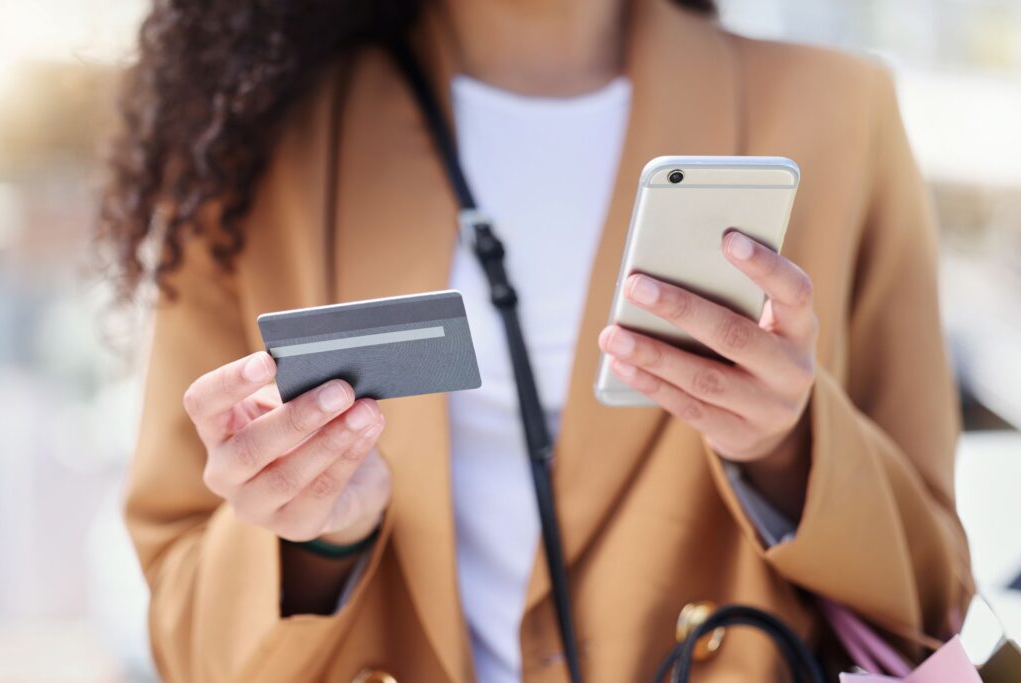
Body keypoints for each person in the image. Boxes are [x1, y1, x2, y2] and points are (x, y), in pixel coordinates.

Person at [102, 0, 972, 681]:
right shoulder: (244, 138)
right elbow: (190, 646)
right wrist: (319, 536)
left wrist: (787, 449)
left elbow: (934, 594)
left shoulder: (837, 114)